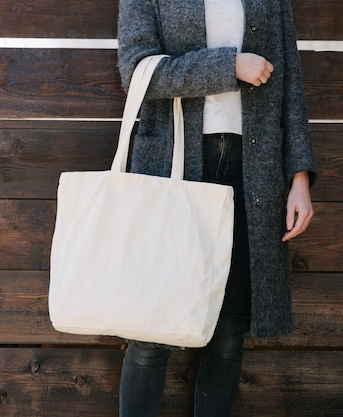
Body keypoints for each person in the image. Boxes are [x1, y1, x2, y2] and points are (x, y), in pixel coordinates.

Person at [116, 0, 318, 415]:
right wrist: (228, 66)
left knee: (228, 331)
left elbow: (290, 84)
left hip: (253, 171)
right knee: (150, 330)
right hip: (173, 166)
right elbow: (137, 72)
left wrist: (299, 177)